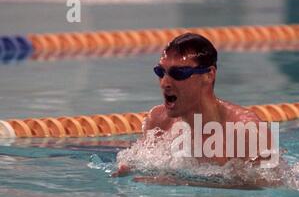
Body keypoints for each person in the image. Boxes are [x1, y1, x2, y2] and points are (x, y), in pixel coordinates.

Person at [112, 33, 282, 188]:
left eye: (178, 73)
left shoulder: (245, 129)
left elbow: (268, 188)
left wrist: (181, 182)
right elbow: (138, 163)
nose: (165, 82)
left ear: (209, 75)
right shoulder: (158, 121)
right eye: (160, 72)